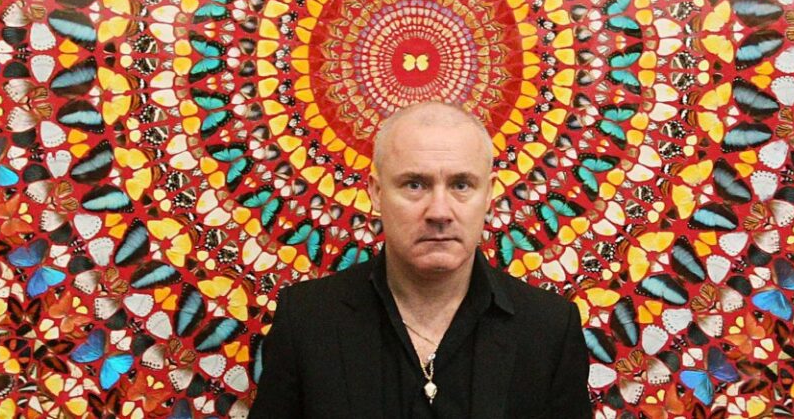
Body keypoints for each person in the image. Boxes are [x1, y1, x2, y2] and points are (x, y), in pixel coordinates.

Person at [251, 101, 592, 418]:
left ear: (488, 193)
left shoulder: (549, 329)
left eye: (461, 185)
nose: (439, 212)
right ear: (376, 192)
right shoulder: (307, 320)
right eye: (415, 185)